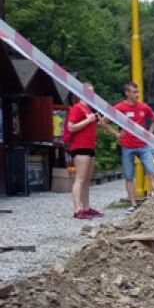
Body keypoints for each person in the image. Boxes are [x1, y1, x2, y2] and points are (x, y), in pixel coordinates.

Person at [66, 84, 115, 220]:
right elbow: (71, 127)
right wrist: (88, 120)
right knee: (80, 178)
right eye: (89, 92)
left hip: (90, 146)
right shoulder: (77, 108)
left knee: (87, 179)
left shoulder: (88, 109)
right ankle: (77, 209)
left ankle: (86, 207)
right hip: (80, 146)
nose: (91, 95)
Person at [113, 81, 154, 214]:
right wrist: (116, 134)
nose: (136, 95)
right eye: (133, 92)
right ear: (127, 93)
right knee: (129, 176)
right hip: (127, 146)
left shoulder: (143, 107)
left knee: (151, 173)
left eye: (137, 92)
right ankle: (133, 204)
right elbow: (103, 121)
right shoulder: (120, 107)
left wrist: (150, 133)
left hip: (142, 145)